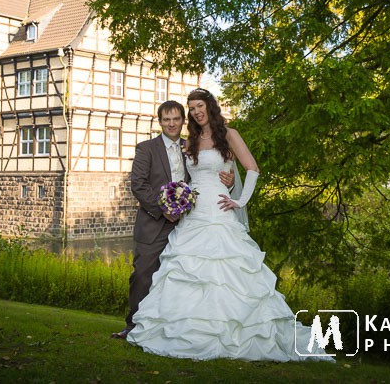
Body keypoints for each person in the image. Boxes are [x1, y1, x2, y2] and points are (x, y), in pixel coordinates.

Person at [126, 88, 331, 361]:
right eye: (192, 108)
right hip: (193, 216)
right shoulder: (191, 141)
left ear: (210, 106)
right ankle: (186, 330)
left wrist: (239, 198)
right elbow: (184, 175)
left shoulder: (230, 135)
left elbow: (253, 168)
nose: (197, 112)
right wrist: (178, 199)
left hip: (220, 211)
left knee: (228, 274)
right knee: (187, 272)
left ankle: (236, 332)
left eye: (200, 106)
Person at [112, 100, 233, 340]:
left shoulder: (193, 147)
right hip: (153, 223)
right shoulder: (146, 148)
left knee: (180, 277)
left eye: (176, 119)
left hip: (188, 224)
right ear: (160, 122)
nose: (171, 124)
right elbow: (138, 184)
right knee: (143, 275)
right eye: (166, 119)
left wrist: (226, 181)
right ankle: (133, 326)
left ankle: (170, 328)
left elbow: (204, 176)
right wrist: (162, 208)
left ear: (182, 121)